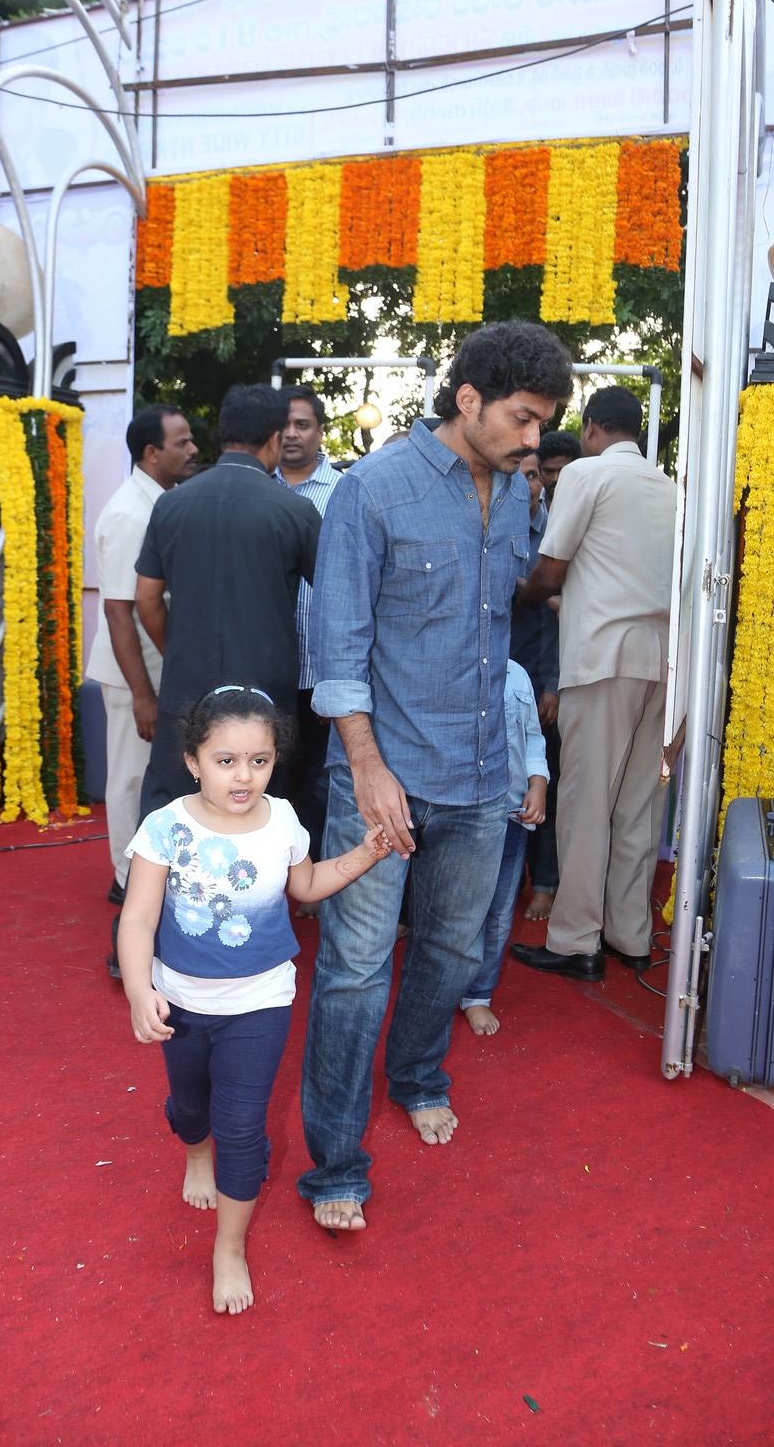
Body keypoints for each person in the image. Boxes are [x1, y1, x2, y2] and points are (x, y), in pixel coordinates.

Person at [298, 319, 574, 1233]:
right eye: (524, 420)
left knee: (455, 953)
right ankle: (335, 1161)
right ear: (469, 401)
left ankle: (416, 1074)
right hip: (384, 778)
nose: (535, 440)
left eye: (542, 425)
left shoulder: (519, 495)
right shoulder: (373, 493)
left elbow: (498, 643)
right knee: (352, 971)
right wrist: (367, 770)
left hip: (480, 774)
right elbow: (335, 651)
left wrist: (519, 765)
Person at [117, 686, 391, 1315]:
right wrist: (140, 990)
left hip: (262, 1003)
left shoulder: (285, 822)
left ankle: (229, 1247)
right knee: (192, 1108)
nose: (244, 776)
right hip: (181, 1005)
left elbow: (310, 886)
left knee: (242, 1130)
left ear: (274, 760)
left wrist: (368, 853)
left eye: (259, 761)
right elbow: (136, 921)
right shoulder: (165, 828)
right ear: (193, 760)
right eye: (226, 761)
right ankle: (193, 1151)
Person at [511, 386, 676, 980]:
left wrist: (525, 595)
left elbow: (551, 567)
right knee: (637, 804)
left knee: (583, 804)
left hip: (602, 657)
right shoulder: (671, 487)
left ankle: (574, 939)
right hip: (663, 664)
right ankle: (629, 934)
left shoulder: (586, 475)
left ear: (590, 429)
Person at [135, 384, 321, 817]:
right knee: (260, 802)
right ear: (274, 438)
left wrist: (177, 652)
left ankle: (166, 886)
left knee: (177, 803)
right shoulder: (294, 511)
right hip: (267, 686)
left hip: (186, 681)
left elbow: (146, 599)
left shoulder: (170, 504)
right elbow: (336, 601)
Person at [85, 406, 197, 967]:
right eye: (182, 441)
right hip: (138, 675)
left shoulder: (157, 502)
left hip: (155, 670)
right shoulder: (132, 513)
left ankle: (137, 879)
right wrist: (145, 694)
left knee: (149, 781)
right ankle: (131, 890)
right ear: (151, 453)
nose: (193, 448)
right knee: (131, 783)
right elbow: (120, 612)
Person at [273, 385, 342, 900]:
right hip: (270, 669)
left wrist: (333, 672)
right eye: (286, 425)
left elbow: (347, 588)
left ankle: (313, 879)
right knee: (274, 782)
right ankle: (272, 878)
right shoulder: (260, 488)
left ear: (320, 432)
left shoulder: (342, 491)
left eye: (303, 425)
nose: (293, 434)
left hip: (319, 672)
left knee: (320, 785)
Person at [460, 659, 548, 1036]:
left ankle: (477, 995)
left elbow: (533, 738)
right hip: (460, 815)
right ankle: (443, 983)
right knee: (457, 909)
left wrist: (538, 782)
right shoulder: (447, 666)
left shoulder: (517, 673)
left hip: (510, 813)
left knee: (498, 911)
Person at [510, 450, 561, 923]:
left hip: (537, 676)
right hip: (488, 675)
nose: (528, 484)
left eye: (533, 475)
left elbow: (558, 622)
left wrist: (553, 684)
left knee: (543, 780)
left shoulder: (554, 536)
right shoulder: (484, 522)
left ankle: (544, 883)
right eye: (521, 475)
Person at [536, 428, 580, 507]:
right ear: (539, 470)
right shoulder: (529, 502)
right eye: (548, 472)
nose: (556, 478)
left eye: (563, 471)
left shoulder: (586, 503)